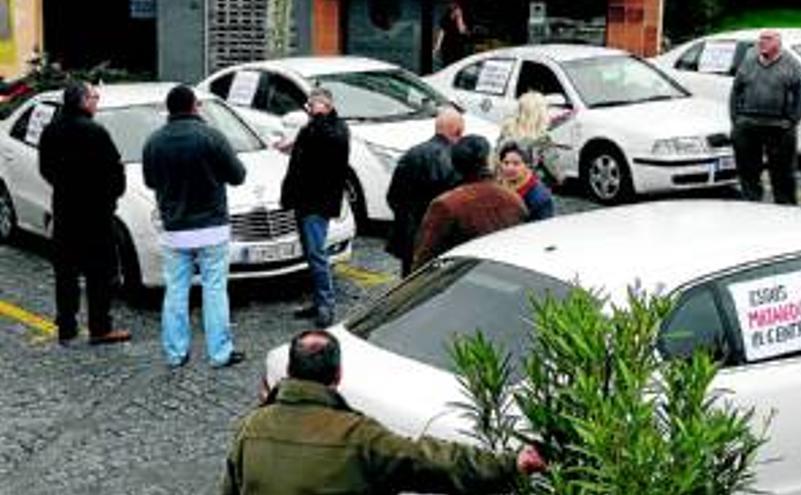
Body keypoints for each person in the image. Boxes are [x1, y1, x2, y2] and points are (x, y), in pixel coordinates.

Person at [222, 329, 547, 495]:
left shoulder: (251, 427)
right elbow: (431, 459)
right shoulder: (359, 436)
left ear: (290, 372)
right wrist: (511, 462)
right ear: (337, 376)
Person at [142, 85, 246, 368]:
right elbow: (238, 176)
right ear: (194, 106)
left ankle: (175, 353)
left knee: (176, 290)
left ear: (170, 109)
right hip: (212, 225)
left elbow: (150, 182)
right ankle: (219, 352)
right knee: (214, 289)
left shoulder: (154, 141)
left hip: (175, 227)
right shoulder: (211, 137)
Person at [38, 81, 131, 346]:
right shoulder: (95, 132)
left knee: (65, 272)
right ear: (81, 101)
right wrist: (110, 197)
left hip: (65, 210)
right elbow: (115, 171)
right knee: (98, 272)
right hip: (95, 213)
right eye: (93, 96)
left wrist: (66, 186)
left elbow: (45, 169)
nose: (97, 100)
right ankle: (100, 327)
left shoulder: (51, 131)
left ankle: (66, 326)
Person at [279, 88, 350, 328]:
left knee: (317, 254)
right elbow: (303, 156)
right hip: (304, 200)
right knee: (311, 253)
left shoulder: (336, 129)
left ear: (326, 107)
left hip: (317, 203)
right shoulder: (312, 128)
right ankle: (319, 300)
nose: (309, 112)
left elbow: (331, 144)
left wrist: (318, 118)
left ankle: (326, 305)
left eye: (313, 108)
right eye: (309, 108)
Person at [413, 135, 527, 270]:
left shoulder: (446, 205)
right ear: (487, 162)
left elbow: (424, 258)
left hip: (458, 280)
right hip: (502, 277)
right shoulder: (513, 199)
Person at [729, 30, 801, 205]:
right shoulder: (748, 63)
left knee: (783, 175)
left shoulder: (791, 65)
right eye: (761, 39)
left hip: (780, 127)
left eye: (767, 39)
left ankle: (786, 210)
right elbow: (736, 91)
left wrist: (793, 118)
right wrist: (736, 120)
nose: (762, 42)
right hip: (748, 125)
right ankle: (752, 206)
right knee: (748, 171)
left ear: (778, 44)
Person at [386, 107, 464, 276]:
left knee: (409, 285)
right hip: (438, 239)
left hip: (409, 236)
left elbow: (393, 196)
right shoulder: (456, 161)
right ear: (458, 132)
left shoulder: (412, 154)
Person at [497, 91, 563, 186]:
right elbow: (555, 170)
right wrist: (560, 178)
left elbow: (497, 158)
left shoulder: (506, 132)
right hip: (531, 188)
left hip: (506, 187)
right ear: (540, 114)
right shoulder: (542, 139)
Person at [496, 141, 554, 222]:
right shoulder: (498, 189)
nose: (509, 168)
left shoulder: (540, 197)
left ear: (527, 166)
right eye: (506, 163)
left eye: (516, 163)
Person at [434, 1, 469, 68]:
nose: (456, 12)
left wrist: (459, 17)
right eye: (454, 10)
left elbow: (461, 31)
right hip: (447, 45)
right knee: (446, 64)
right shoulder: (445, 19)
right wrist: (437, 47)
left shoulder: (461, 19)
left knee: (457, 64)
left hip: (457, 45)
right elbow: (442, 33)